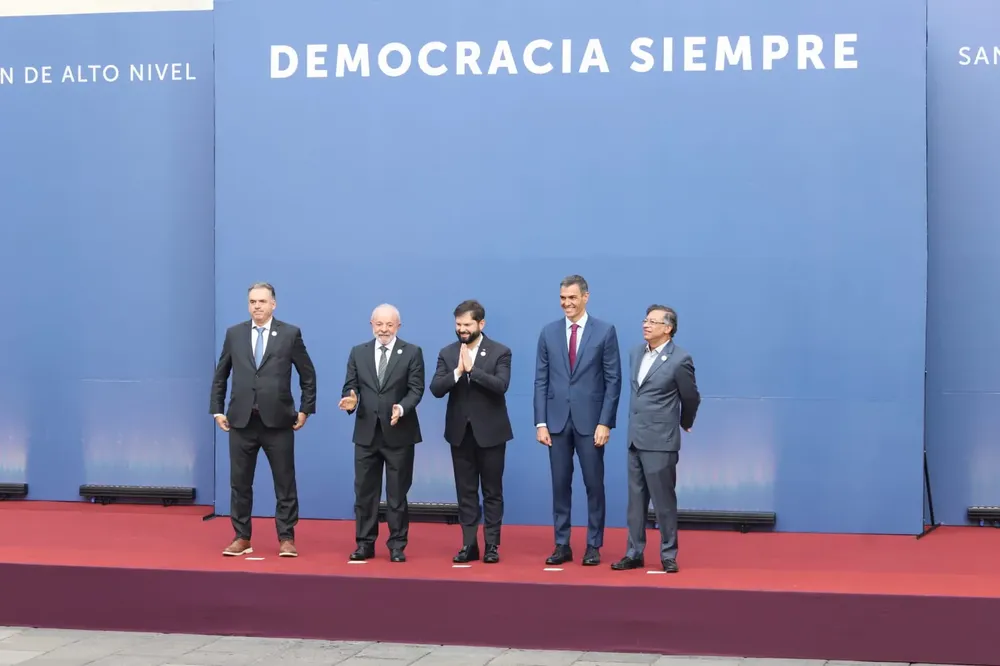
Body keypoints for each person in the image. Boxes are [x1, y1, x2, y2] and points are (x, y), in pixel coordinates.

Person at [210, 282, 317, 558]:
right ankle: (242, 537)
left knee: (285, 482)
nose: (257, 306)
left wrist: (305, 409)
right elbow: (221, 375)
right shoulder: (234, 334)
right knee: (240, 483)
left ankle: (286, 537)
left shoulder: (290, 334)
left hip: (278, 422)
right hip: (241, 421)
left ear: (273, 304)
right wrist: (217, 410)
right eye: (252, 302)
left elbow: (307, 374)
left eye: (262, 301)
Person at [533, 275, 622, 566]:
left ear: (585, 297)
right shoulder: (548, 332)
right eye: (562, 298)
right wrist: (541, 422)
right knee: (560, 485)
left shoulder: (605, 331)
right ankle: (562, 544)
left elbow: (613, 380)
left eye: (572, 297)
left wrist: (605, 422)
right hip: (556, 423)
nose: (566, 303)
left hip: (591, 424)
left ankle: (593, 545)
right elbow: (541, 380)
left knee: (594, 485)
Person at [611, 305, 700, 574]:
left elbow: (691, 396)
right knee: (635, 503)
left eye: (653, 321)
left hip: (661, 440)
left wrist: (684, 422)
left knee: (663, 502)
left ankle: (668, 554)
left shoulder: (680, 359)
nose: (646, 325)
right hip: (635, 439)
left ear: (668, 328)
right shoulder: (635, 353)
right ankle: (633, 553)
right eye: (645, 320)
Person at [338, 304, 425, 563]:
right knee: (365, 493)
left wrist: (402, 407)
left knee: (397, 494)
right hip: (366, 434)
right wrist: (350, 401)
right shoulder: (358, 352)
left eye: (389, 324)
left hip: (400, 432)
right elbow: (350, 387)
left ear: (398, 326)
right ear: (371, 324)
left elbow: (416, 389)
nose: (384, 329)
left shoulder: (412, 352)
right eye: (379, 324)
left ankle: (397, 545)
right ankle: (364, 543)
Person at [429, 300, 513, 564]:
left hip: (492, 434)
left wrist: (473, 371)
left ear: (481, 324)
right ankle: (469, 544)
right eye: (458, 324)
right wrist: (457, 371)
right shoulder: (447, 353)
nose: (462, 329)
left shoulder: (500, 351)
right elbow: (436, 388)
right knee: (465, 492)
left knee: (492, 491)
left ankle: (491, 545)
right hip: (460, 434)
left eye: (467, 324)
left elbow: (501, 385)